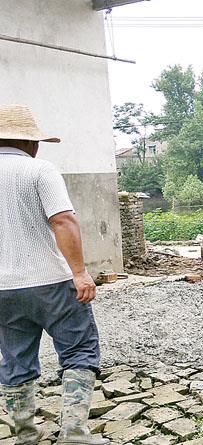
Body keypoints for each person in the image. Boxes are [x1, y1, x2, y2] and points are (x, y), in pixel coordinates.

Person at [0, 105, 108, 445]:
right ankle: (74, 434)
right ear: (30, 143)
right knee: (79, 351)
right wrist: (80, 272)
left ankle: (26, 436)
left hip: (3, 290)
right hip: (51, 282)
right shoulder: (39, 170)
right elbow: (62, 221)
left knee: (15, 360)